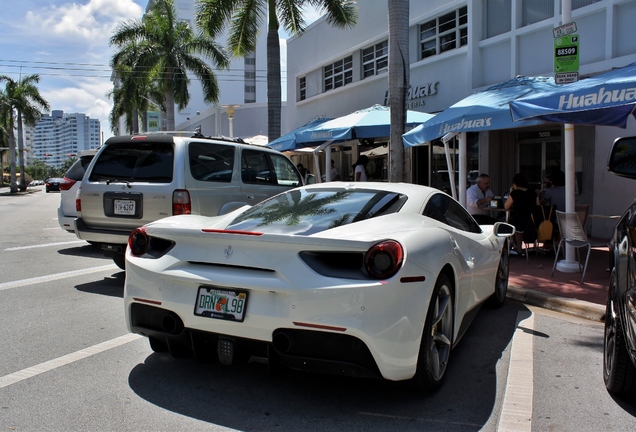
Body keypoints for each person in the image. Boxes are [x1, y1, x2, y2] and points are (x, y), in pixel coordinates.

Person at [505, 173, 539, 256]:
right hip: (532, 221)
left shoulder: (515, 193)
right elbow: (538, 206)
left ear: (514, 184)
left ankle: (516, 246)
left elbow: (506, 206)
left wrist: (511, 192)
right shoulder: (533, 193)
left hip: (519, 220)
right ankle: (516, 244)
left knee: (508, 222)